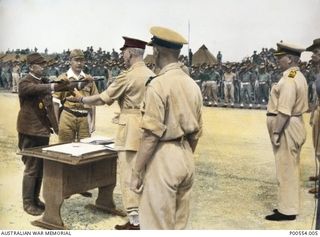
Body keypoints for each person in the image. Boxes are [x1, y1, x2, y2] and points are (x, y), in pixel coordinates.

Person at [66, 37, 155, 230]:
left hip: (130, 129)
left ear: (130, 53)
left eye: (124, 52)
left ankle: (135, 221)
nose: (122, 56)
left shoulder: (127, 75)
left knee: (129, 173)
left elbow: (103, 99)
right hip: (148, 129)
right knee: (144, 173)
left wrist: (82, 100)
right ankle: (145, 215)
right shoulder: (151, 74)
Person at [129, 26, 203, 229]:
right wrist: (184, 154)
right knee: (179, 225)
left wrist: (136, 172)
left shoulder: (158, 84)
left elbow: (151, 135)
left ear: (157, 51)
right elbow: (196, 133)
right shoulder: (192, 85)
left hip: (162, 156)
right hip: (186, 154)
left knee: (156, 224)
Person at [17, 53, 73, 216]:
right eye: (40, 64)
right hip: (29, 130)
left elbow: (50, 104)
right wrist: (54, 86)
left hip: (42, 130)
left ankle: (35, 199)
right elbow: (37, 89)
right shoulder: (25, 82)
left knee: (40, 167)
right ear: (31, 67)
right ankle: (28, 202)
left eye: (44, 64)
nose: (43, 66)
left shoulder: (43, 81)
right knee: (31, 168)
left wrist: (69, 84)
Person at [265, 42, 308, 221]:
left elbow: (284, 110)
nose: (278, 61)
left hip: (287, 126)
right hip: (292, 124)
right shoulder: (295, 75)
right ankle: (287, 206)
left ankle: (288, 211)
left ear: (290, 59)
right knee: (289, 168)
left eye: (280, 58)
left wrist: (276, 132)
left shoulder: (289, 78)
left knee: (286, 169)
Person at [53, 49, 98, 144]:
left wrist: (93, 121)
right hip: (67, 116)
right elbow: (55, 102)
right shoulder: (63, 78)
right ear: (70, 61)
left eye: (82, 60)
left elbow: (93, 101)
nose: (79, 63)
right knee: (64, 147)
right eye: (76, 60)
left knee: (85, 148)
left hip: (84, 118)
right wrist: (56, 122)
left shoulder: (89, 79)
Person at [307, 38, 320, 194]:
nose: (312, 56)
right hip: (318, 110)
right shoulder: (318, 71)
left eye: (316, 52)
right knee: (318, 146)